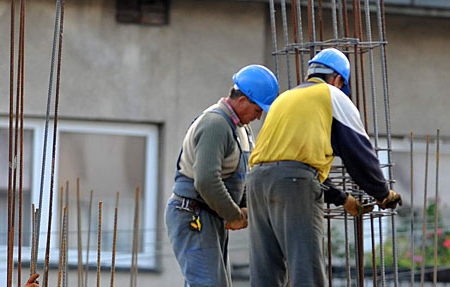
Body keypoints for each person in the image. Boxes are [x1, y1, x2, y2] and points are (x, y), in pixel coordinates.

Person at [246, 48, 402, 286]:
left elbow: (294, 162)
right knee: (305, 268)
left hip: (257, 183)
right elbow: (358, 152)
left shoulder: (284, 99)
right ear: (338, 79)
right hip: (294, 183)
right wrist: (382, 193)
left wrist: (344, 199)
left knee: (266, 271)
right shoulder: (332, 95)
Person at [165, 65, 279, 287]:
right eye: (258, 109)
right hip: (192, 214)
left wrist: (248, 207)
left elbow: (243, 176)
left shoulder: (241, 129)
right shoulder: (216, 125)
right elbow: (206, 179)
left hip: (209, 216)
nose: (259, 116)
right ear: (243, 100)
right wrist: (233, 215)